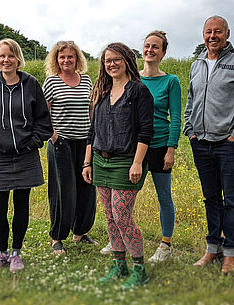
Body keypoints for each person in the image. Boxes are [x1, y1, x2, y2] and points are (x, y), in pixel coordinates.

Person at [183, 15, 234, 274]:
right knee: (211, 197)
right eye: (208, 31)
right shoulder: (197, 63)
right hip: (200, 142)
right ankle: (212, 248)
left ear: (227, 33)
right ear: (202, 34)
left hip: (228, 144)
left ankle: (230, 253)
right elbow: (191, 99)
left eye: (217, 31)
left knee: (232, 199)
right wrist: (189, 129)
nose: (212, 36)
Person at [0, 38, 53, 273]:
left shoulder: (31, 84)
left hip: (25, 156)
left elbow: (43, 121)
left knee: (22, 206)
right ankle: (1, 253)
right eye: (2, 56)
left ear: (18, 59)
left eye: (11, 56)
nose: (6, 60)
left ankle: (17, 253)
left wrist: (32, 145)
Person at [82, 42, 154, 289]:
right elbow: (92, 131)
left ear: (126, 61)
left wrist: (137, 162)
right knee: (109, 217)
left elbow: (146, 131)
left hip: (126, 162)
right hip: (100, 162)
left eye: (116, 59)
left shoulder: (138, 91)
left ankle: (140, 269)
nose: (111, 64)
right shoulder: (100, 91)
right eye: (107, 60)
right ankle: (119, 264)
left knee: (122, 216)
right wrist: (87, 162)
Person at [43, 41, 97, 254]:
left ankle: (80, 232)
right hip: (61, 144)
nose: (66, 60)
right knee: (63, 191)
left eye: (70, 57)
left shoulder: (86, 80)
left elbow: (91, 109)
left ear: (77, 59)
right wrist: (54, 137)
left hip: (85, 142)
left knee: (86, 188)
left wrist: (93, 136)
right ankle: (57, 237)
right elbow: (42, 113)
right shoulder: (51, 83)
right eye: (62, 57)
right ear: (56, 60)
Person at [140, 30, 181, 262]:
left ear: (163, 52)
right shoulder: (134, 78)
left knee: (164, 195)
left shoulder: (171, 81)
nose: (150, 50)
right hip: (136, 147)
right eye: (147, 45)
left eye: (156, 47)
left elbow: (175, 117)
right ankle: (119, 235)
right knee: (125, 194)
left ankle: (165, 246)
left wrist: (171, 149)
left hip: (159, 145)